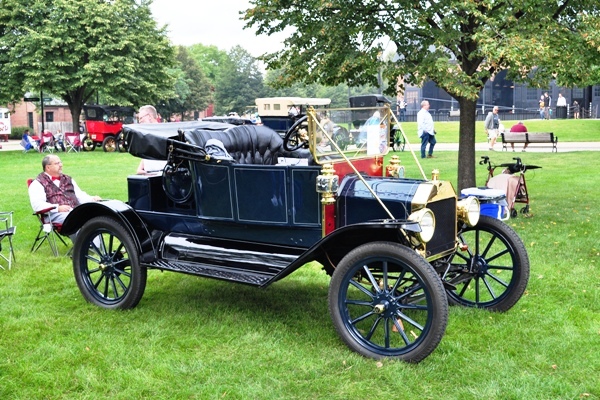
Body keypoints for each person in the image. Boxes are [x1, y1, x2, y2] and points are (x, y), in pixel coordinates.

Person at [29, 155, 101, 227]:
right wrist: (57, 208)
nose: (61, 165)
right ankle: (85, 233)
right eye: (57, 163)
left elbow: (79, 195)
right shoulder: (38, 183)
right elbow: (37, 205)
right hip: (54, 215)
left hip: (74, 211)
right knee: (79, 218)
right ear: (48, 167)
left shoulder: (68, 179)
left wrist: (92, 199)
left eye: (60, 162)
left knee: (96, 214)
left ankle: (93, 233)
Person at [136, 105, 167, 174]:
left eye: (141, 118)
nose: (139, 121)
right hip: (148, 175)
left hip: (163, 174)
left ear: (149, 116)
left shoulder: (164, 132)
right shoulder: (146, 134)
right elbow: (148, 152)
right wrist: (140, 168)